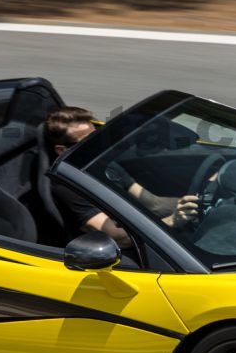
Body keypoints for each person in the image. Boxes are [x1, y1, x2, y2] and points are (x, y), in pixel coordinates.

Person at [45, 106, 198, 248]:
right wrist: (171, 221)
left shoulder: (101, 166)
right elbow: (116, 238)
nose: (96, 145)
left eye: (97, 136)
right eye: (86, 142)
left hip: (136, 231)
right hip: (113, 255)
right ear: (61, 150)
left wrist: (195, 203)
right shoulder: (67, 187)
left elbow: (152, 204)